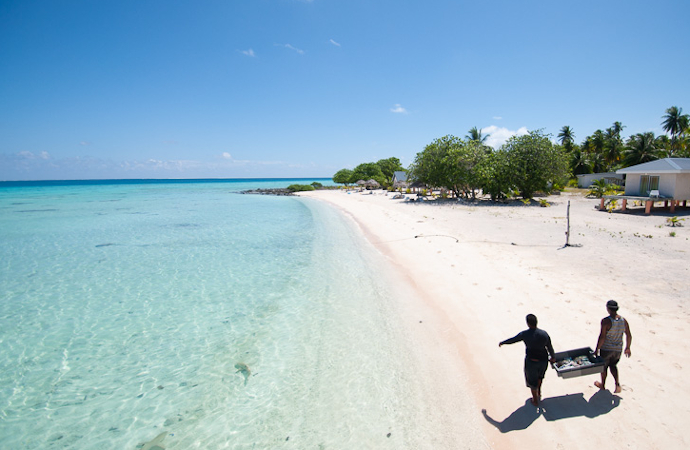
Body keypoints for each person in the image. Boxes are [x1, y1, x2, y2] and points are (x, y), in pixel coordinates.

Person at [499, 314, 556, 406]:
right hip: (543, 361)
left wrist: (503, 342)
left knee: (532, 381)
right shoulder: (544, 334)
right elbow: (550, 347)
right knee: (540, 377)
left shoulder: (525, 334)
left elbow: (513, 340)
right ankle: (539, 393)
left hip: (531, 361)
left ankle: (535, 400)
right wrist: (553, 357)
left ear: (528, 324)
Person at [594, 299, 632, 393]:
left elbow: (602, 336)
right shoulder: (623, 321)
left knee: (604, 367)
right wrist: (628, 347)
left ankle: (602, 384)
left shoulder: (606, 321)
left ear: (608, 309)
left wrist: (597, 349)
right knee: (613, 366)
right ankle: (617, 384)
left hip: (606, 348)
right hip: (618, 349)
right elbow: (629, 335)